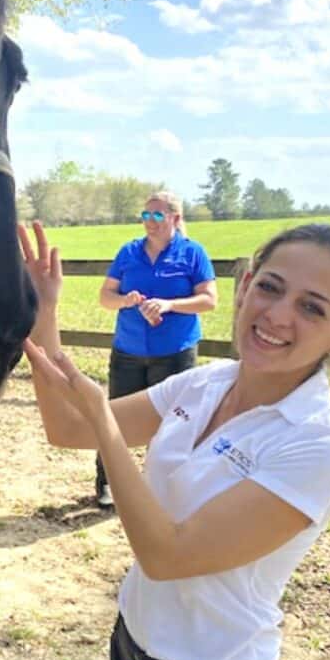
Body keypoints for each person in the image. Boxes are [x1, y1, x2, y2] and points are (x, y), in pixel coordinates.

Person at [19, 221, 330, 660]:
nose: (278, 315)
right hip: (134, 658)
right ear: (245, 284)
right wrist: (44, 313)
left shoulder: (320, 446)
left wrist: (102, 420)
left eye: (312, 308)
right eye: (271, 287)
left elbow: (168, 556)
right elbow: (68, 428)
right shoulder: (204, 384)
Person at [94, 191, 218, 508]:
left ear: (175, 218)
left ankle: (159, 486)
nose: (150, 222)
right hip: (128, 350)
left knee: (172, 424)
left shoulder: (193, 254)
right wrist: (125, 300)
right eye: (146, 215)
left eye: (158, 215)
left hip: (175, 352)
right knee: (116, 419)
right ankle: (107, 484)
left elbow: (209, 300)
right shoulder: (129, 252)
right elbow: (105, 297)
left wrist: (169, 304)